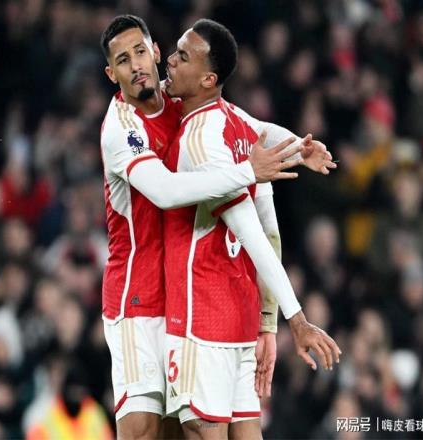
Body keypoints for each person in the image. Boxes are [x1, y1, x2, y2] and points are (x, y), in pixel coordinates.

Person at [99, 15, 334, 439]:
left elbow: (254, 128)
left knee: (180, 430)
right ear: (111, 73)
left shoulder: (182, 100)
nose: (135, 66)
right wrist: (248, 171)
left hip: (186, 298)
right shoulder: (122, 129)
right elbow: (166, 191)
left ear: (155, 52)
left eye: (140, 52)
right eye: (122, 60)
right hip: (137, 297)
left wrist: (299, 149)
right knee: (145, 430)